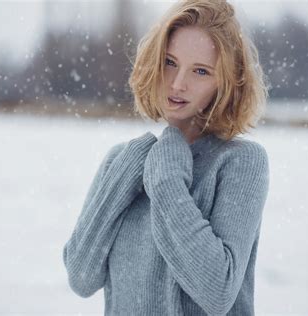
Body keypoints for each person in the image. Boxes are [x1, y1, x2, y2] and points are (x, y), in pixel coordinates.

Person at [63, 0, 270, 315]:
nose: (177, 83)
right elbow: (81, 278)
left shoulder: (240, 163)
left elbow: (218, 292)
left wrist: (167, 180)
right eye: (170, 62)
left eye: (200, 71)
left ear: (225, 83)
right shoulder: (121, 160)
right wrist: (127, 172)